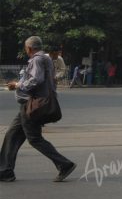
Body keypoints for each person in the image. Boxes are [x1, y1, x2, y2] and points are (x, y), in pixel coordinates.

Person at [0, 36, 76, 183]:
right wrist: (18, 83)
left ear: (29, 48)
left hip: (32, 106)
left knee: (34, 139)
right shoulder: (45, 59)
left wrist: (17, 85)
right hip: (32, 105)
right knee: (12, 135)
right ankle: (5, 170)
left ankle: (64, 164)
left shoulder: (37, 59)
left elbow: (36, 79)